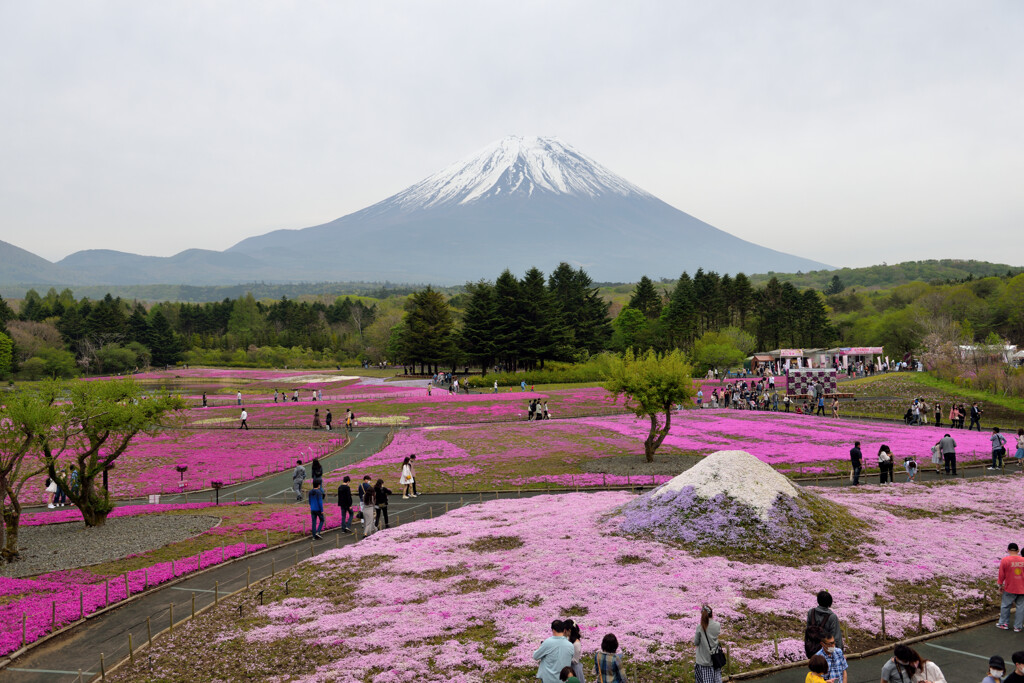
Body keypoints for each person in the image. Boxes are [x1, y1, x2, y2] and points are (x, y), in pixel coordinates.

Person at [881, 644, 945, 683]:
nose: (912, 664)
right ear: (898, 658)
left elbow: (943, 681)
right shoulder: (887, 668)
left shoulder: (929, 666)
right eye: (906, 661)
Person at [806, 590, 843, 656]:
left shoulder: (811, 612)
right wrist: (838, 654)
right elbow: (836, 637)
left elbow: (807, 632)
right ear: (830, 602)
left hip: (812, 650)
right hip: (826, 652)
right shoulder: (832, 617)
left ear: (818, 600)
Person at [998, 542, 1024, 632]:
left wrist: (1000, 585)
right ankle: (1018, 627)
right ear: (1018, 550)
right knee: (1021, 607)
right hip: (1022, 588)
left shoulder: (1005, 560)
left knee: (1005, 606)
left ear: (1008, 550)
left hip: (1010, 587)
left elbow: (1001, 574)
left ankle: (1004, 623)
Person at [694, 604, 722, 683]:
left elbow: (696, 642)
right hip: (715, 658)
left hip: (703, 661)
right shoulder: (717, 625)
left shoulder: (700, 627)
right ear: (711, 614)